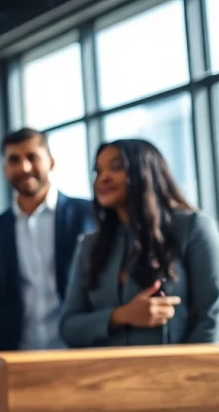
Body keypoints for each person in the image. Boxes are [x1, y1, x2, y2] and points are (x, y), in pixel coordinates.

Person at [0, 128, 95, 412]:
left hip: (78, 356)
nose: (23, 167)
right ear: (4, 168)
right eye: (13, 160)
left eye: (31, 157)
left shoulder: (89, 216)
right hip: (16, 359)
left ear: (50, 161)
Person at [60, 139, 219, 347]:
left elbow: (212, 319)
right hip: (104, 376)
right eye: (98, 171)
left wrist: (187, 375)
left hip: (174, 375)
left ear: (146, 170)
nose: (103, 178)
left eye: (116, 167)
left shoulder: (193, 227)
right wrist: (122, 315)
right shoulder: (89, 245)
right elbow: (69, 328)